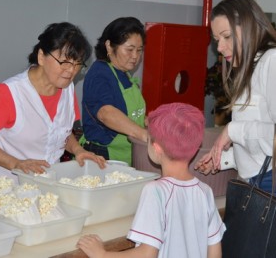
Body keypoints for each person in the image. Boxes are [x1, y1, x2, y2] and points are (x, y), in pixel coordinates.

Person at [77, 102, 225, 258]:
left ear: (156, 148)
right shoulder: (205, 191)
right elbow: (215, 254)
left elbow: (147, 254)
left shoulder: (155, 191)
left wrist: (102, 254)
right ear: (196, 147)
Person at [0, 22, 106, 185]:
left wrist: (78, 150)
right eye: (64, 62)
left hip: (47, 186)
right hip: (6, 187)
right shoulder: (9, 93)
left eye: (77, 64)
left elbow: (60, 133)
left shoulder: (67, 89)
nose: (71, 70)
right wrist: (16, 163)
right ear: (41, 56)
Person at [194, 0, 276, 194]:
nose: (220, 48)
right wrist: (222, 159)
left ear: (249, 26)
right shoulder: (248, 67)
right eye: (216, 40)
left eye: (227, 36)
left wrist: (232, 130)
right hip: (254, 179)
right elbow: (257, 142)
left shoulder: (271, 61)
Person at [80, 17, 147, 166]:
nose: (135, 56)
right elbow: (106, 113)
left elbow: (130, 113)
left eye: (139, 50)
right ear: (109, 46)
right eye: (129, 49)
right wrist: (144, 135)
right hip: (103, 156)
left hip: (126, 155)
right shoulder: (100, 73)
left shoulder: (124, 73)